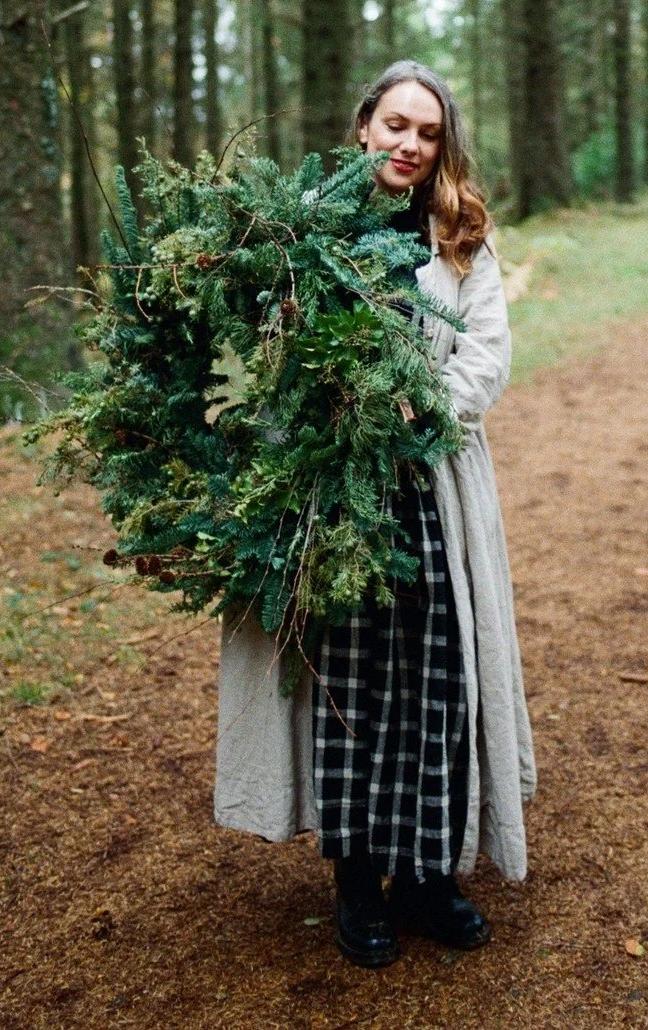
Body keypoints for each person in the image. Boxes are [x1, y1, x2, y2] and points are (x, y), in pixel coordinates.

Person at [213, 60, 536, 968]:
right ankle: (356, 879)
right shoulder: (305, 227)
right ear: (363, 126)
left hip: (431, 482)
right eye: (396, 125)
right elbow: (276, 348)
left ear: (442, 147)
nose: (409, 145)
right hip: (333, 486)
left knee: (438, 680)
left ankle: (428, 874)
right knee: (350, 688)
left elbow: (487, 352)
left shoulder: (459, 233)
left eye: (427, 133)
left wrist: (415, 407)